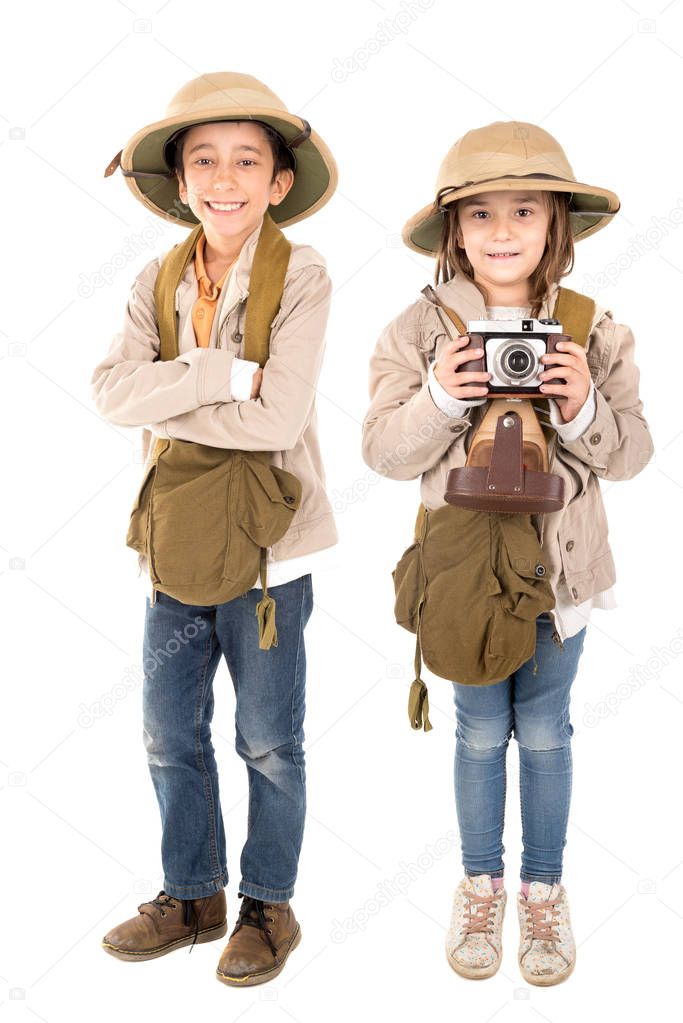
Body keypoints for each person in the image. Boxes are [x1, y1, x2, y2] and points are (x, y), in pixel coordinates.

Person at [361, 121, 653, 986]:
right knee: (480, 730)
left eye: (523, 210)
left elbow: (632, 454)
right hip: (460, 576)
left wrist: (578, 407)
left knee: (548, 734)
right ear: (452, 228)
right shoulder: (417, 331)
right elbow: (381, 451)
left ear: (554, 224)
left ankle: (542, 890)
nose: (499, 231)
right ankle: (480, 882)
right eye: (479, 212)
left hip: (560, 574)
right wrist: (444, 395)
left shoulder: (592, 329)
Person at [91, 71, 338, 987]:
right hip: (174, 541)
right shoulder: (154, 276)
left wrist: (175, 392)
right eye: (203, 160)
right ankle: (190, 891)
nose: (223, 177)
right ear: (179, 180)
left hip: (273, 556)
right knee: (168, 731)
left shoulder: (300, 272)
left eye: (246, 160)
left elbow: (279, 425)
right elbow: (111, 393)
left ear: (278, 182)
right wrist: (223, 374)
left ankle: (266, 903)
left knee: (268, 740)